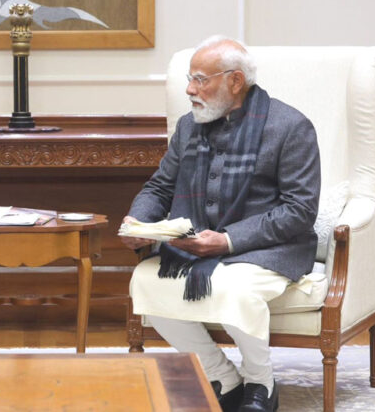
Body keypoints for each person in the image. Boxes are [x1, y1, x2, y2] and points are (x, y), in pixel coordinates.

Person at [122, 36, 320, 412]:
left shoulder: (290, 127)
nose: (189, 89)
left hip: (269, 249)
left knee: (233, 288)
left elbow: (300, 210)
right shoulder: (188, 127)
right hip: (197, 246)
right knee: (145, 280)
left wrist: (227, 241)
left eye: (200, 79)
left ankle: (261, 383)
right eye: (190, 79)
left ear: (235, 81)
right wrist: (138, 222)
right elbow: (160, 187)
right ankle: (222, 376)